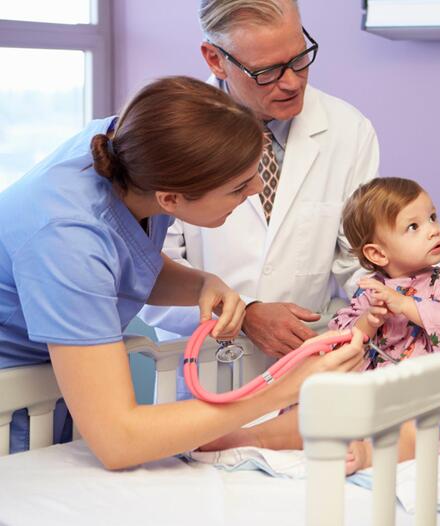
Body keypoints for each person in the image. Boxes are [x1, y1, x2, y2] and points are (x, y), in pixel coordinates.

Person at [0, 76, 364, 469]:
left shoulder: (132, 150)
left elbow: (120, 262)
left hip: (47, 386)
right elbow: (119, 441)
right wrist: (280, 388)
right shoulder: (66, 238)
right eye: (239, 186)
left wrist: (202, 284)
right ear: (170, 199)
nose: (257, 188)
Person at [140, 0, 380, 365]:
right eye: (266, 71)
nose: (292, 82)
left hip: (308, 359)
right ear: (215, 59)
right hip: (208, 365)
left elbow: (357, 261)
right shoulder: (170, 135)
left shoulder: (349, 130)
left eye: (300, 59)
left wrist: (411, 295)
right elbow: (149, 276)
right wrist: (245, 314)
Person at [202, 177, 440, 473]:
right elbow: (341, 337)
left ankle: (366, 454)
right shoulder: (369, 290)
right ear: (377, 254)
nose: (433, 230)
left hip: (421, 394)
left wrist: (405, 305)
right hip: (362, 389)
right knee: (312, 409)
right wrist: (368, 322)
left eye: (433, 217)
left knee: (422, 428)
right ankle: (253, 435)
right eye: (414, 226)